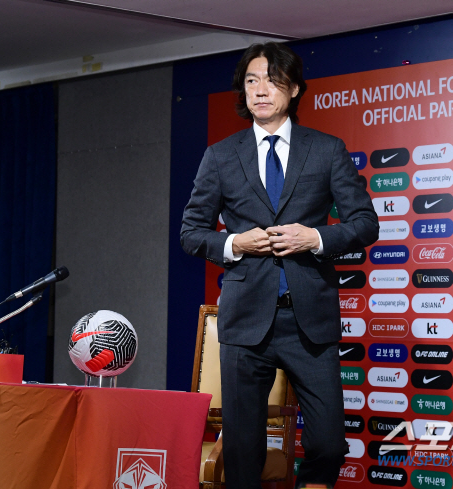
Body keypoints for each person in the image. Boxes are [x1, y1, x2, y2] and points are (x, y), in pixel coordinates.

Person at [180, 42, 379, 488]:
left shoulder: (326, 150)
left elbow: (366, 224)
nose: (261, 90)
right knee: (243, 450)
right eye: (252, 81)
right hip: (245, 319)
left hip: (308, 317)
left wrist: (316, 237)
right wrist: (235, 242)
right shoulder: (221, 155)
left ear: (293, 89)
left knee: (328, 441)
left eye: (272, 80)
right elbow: (191, 233)